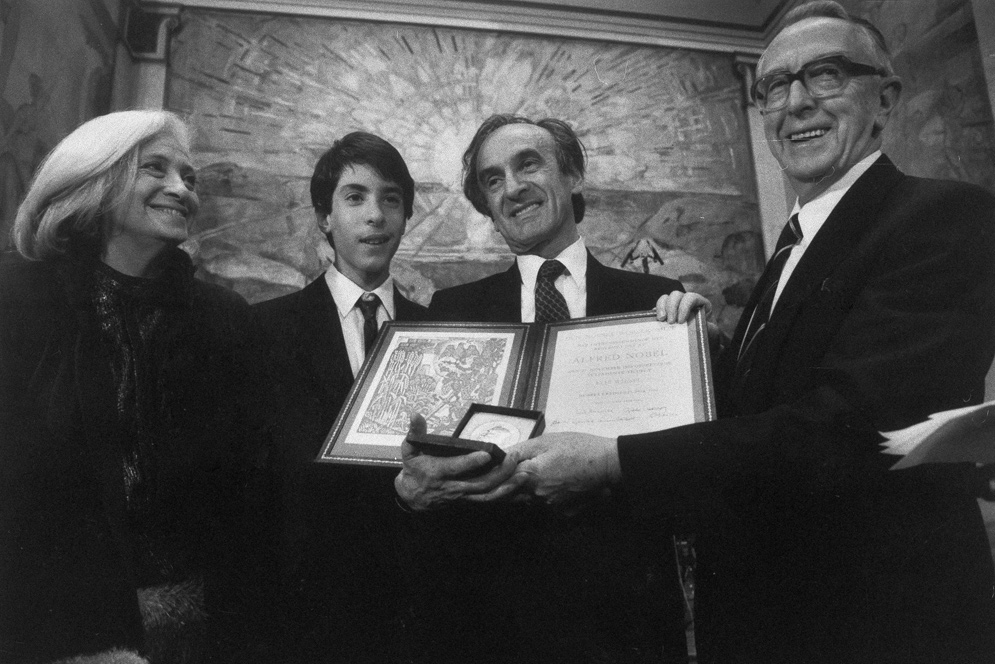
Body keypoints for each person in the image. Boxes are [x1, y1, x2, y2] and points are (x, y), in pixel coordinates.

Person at [446, 3, 995, 663]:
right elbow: (771, 408)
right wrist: (707, 361)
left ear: (884, 97)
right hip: (770, 615)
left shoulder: (943, 218)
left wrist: (614, 459)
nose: (794, 103)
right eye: (771, 88)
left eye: (823, 76)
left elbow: (856, 427)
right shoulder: (789, 252)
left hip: (875, 619)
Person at [397, 115, 690, 664]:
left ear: (573, 175)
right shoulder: (454, 315)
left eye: (528, 163)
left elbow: (683, 460)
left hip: (627, 618)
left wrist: (698, 347)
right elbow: (432, 479)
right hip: (493, 622)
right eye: (491, 179)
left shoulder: (656, 304)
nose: (512, 187)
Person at [0, 110, 272, 663]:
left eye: (189, 178)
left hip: (196, 636)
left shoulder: (225, 319)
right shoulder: (16, 299)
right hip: (50, 631)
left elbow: (251, 497)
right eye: (156, 169)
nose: (182, 189)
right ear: (95, 182)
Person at [253, 131, 427, 662]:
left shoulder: (440, 332)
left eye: (390, 199)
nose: (375, 216)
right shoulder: (264, 332)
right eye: (355, 197)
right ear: (324, 218)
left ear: (405, 216)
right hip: (303, 621)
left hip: (418, 620)